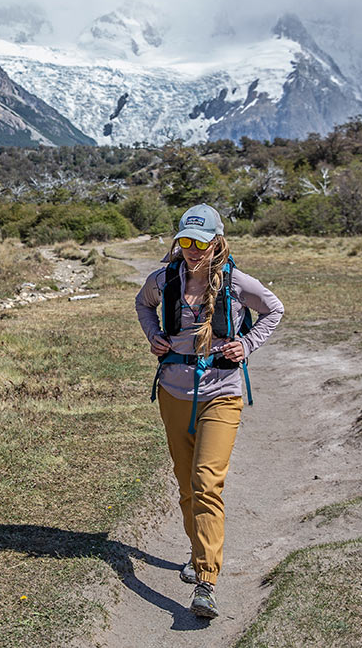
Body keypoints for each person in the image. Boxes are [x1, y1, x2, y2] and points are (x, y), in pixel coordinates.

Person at [134, 203, 283, 619]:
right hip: (173, 392)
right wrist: (153, 336)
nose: (193, 250)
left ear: (217, 241)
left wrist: (247, 344)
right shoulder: (164, 279)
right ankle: (197, 548)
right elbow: (142, 305)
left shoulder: (237, 283)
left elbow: (275, 310)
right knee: (185, 481)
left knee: (206, 481)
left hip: (222, 393)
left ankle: (206, 580)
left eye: (200, 243)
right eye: (185, 241)